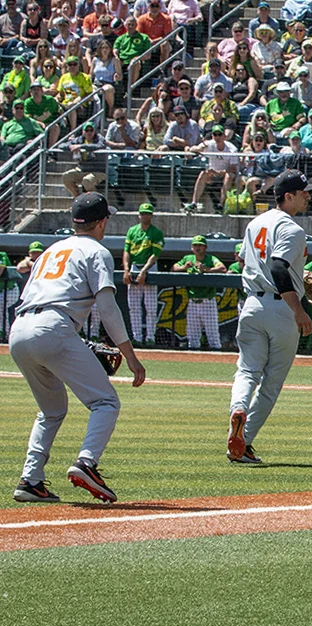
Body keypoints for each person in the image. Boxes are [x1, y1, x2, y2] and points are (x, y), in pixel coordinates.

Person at [9, 193, 146, 504]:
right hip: (53, 327)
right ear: (102, 221)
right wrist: (130, 355)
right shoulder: (97, 251)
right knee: (105, 402)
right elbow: (108, 308)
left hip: (18, 330)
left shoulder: (51, 250)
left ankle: (31, 479)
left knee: (51, 410)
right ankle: (87, 462)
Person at [226, 170, 312, 464]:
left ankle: (238, 409)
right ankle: (244, 442)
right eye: (303, 192)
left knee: (247, 370)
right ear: (287, 196)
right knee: (271, 383)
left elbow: (242, 259)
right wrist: (298, 309)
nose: (308, 195)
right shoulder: (292, 228)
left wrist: (300, 277)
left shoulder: (255, 222)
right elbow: (278, 268)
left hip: (251, 304)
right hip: (281, 308)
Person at [172, 235, 227, 350]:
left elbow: (222, 268)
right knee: (192, 336)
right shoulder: (188, 258)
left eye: (200, 245)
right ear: (192, 247)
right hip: (192, 302)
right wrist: (184, 267)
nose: (198, 248)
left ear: (205, 247)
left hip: (208, 301)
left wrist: (208, 270)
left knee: (213, 336)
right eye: (195, 245)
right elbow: (173, 268)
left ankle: (217, 358)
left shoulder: (210, 259)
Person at [122, 203, 163, 346]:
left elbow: (154, 255)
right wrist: (126, 269)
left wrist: (144, 271)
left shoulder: (156, 232)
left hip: (150, 268)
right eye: (143, 213)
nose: (145, 215)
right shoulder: (132, 231)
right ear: (139, 215)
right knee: (134, 307)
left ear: (151, 215)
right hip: (134, 266)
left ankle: (150, 337)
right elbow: (126, 251)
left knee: (151, 307)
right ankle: (137, 337)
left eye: (147, 213)